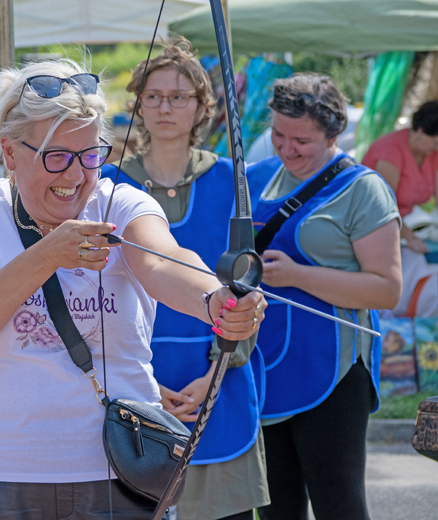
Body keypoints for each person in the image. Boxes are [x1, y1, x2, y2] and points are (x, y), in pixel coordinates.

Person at [0, 58, 265, 520]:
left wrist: (216, 299)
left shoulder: (121, 201)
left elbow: (164, 262)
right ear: (9, 154)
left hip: (124, 475)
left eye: (89, 156)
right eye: (56, 158)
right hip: (2, 476)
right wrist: (44, 256)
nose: (74, 176)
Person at [100, 38, 269, 520]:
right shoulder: (108, 186)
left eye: (178, 96)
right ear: (137, 105)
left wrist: (217, 372)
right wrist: (145, 382)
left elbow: (245, 284)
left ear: (201, 107)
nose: (164, 107)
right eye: (152, 96)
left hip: (218, 374)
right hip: (132, 378)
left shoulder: (234, 183)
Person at [247, 74, 402, 520]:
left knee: (340, 505)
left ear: (333, 134)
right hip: (263, 367)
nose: (286, 148)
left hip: (332, 375)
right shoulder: (254, 180)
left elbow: (387, 289)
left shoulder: (362, 189)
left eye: (302, 140)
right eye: (277, 135)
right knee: (276, 510)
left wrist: (298, 275)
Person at [361, 100, 438, 253]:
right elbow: (383, 207)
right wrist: (410, 238)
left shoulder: (431, 153)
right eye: (436, 142)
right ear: (421, 132)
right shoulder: (390, 149)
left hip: (400, 226)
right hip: (368, 228)